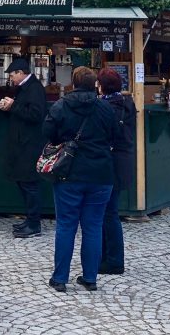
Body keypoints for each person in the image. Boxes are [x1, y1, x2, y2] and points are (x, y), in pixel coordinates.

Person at [42, 66, 116, 292]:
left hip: (69, 172)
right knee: (93, 227)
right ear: (95, 84)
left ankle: (60, 278)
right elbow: (115, 135)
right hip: (101, 173)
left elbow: (47, 132)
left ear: (73, 83)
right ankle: (90, 277)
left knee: (66, 225)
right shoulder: (105, 107)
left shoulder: (61, 105)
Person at [0, 57, 47, 238]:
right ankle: (30, 219)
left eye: (12, 74)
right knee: (24, 182)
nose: (10, 78)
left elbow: (36, 114)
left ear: (20, 73)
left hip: (30, 143)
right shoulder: (25, 88)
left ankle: (34, 224)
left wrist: (13, 105)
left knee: (30, 184)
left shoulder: (34, 89)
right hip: (22, 143)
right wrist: (8, 108)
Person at [97, 66, 135, 276]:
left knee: (108, 213)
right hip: (124, 163)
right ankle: (110, 257)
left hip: (109, 163)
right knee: (110, 212)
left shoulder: (104, 107)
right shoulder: (127, 103)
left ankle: (112, 260)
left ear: (102, 86)